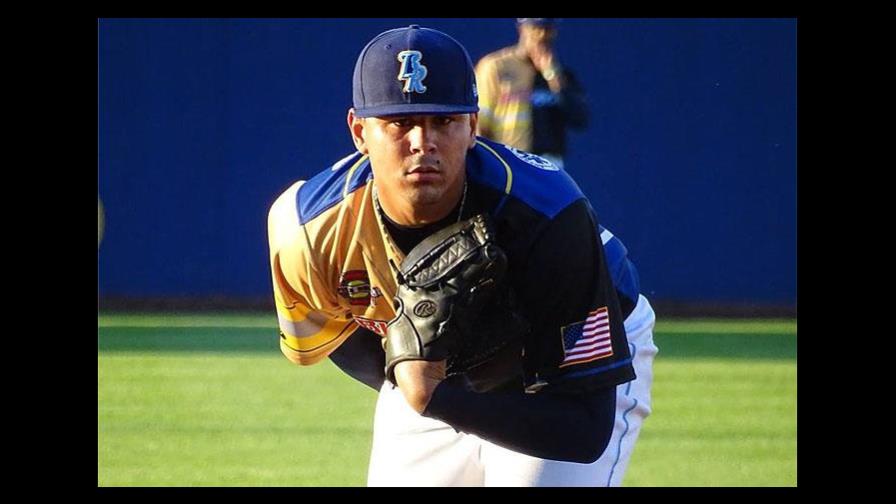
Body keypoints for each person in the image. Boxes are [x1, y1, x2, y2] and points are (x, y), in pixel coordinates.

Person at [267, 24, 656, 487]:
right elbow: (337, 340)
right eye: (400, 123)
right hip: (435, 374)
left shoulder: (548, 215)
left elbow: (584, 429)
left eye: (443, 121)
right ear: (359, 131)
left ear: (473, 126)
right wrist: (417, 382)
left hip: (556, 369)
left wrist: (436, 397)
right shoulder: (308, 229)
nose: (422, 143)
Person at [474, 18, 588, 170]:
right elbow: (479, 122)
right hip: (508, 160)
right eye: (535, 28)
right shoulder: (496, 67)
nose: (541, 35)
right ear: (522, 28)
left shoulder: (560, 75)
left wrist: (552, 75)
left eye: (547, 29)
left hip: (549, 164)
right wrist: (485, 164)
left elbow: (579, 118)